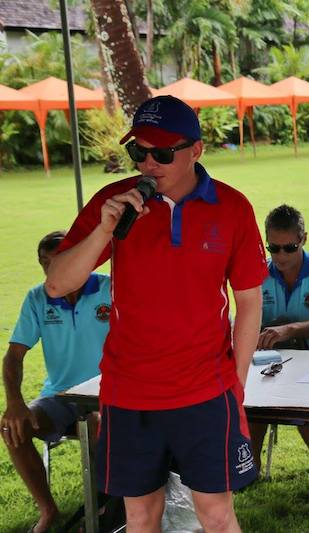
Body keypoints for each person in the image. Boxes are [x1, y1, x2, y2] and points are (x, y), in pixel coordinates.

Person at [44, 95, 267, 532]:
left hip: (205, 391)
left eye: (162, 152)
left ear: (195, 150)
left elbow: (250, 302)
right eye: (138, 151)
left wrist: (236, 383)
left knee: (217, 515)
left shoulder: (232, 206)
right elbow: (58, 283)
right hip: (129, 392)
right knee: (140, 515)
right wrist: (104, 231)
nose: (148, 163)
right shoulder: (114, 202)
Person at [1, 231, 109, 533]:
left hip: (110, 394)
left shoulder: (109, 289)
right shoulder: (37, 298)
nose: (51, 270)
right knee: (13, 426)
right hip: (60, 397)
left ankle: (105, 506)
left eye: (58, 260)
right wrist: (15, 403)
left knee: (99, 421)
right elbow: (14, 356)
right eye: (44, 263)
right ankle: (48, 510)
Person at [250, 203, 309, 502]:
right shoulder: (257, 273)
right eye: (273, 248)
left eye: (288, 247)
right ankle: (246, 469)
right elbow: (247, 320)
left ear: (304, 239)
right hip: (273, 363)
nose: (280, 256)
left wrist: (291, 330)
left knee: (305, 406)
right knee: (248, 402)